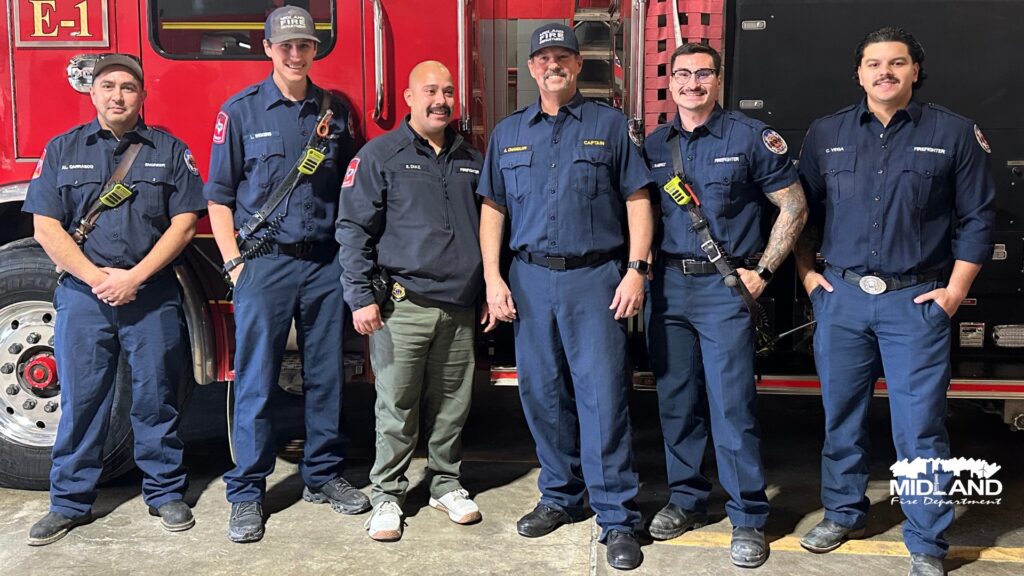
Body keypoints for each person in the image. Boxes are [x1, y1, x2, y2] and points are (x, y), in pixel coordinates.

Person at [794, 27, 995, 576]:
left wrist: (954, 292)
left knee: (921, 427)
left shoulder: (953, 134)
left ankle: (927, 542)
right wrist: (809, 277)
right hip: (842, 300)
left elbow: (979, 218)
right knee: (842, 418)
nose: (884, 72)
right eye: (873, 63)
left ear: (914, 71)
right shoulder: (825, 133)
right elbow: (799, 215)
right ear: (858, 73)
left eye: (897, 63)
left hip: (916, 303)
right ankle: (843, 512)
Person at [477, 23, 653, 571]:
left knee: (602, 397)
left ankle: (617, 516)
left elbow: (638, 199)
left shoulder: (610, 127)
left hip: (595, 278)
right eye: (543, 58)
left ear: (578, 66)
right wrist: (493, 277)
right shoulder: (508, 134)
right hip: (529, 278)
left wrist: (636, 270)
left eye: (562, 57)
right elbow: (494, 209)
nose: (552, 65)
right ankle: (560, 495)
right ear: (531, 69)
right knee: (542, 394)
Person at [24, 53, 204, 545]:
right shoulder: (63, 149)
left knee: (156, 399)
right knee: (83, 403)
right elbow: (46, 226)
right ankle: (68, 503)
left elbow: (185, 223)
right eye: (108, 87)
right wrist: (97, 279)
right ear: (92, 93)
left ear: (143, 96)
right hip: (84, 298)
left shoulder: (170, 150)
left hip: (151, 295)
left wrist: (135, 277)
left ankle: (165, 492)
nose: (118, 96)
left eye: (128, 87)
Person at [204, 5, 369, 543]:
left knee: (327, 375)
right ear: (269, 49)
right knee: (256, 380)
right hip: (265, 263)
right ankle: (247, 492)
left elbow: (352, 188)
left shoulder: (335, 111)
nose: (295, 54)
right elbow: (219, 197)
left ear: (315, 50)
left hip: (323, 263)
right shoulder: (242, 112)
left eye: (304, 46)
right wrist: (233, 262)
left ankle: (322, 475)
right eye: (285, 46)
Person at [642, 43, 807, 568]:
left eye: (703, 73)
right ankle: (686, 500)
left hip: (723, 290)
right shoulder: (653, 145)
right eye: (683, 73)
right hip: (666, 289)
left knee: (731, 407)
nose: (692, 82)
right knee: (676, 403)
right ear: (670, 81)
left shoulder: (750, 137)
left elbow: (794, 204)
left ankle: (748, 517)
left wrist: (761, 273)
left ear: (718, 78)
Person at [337, 60, 493, 542]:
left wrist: (489, 288)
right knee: (397, 407)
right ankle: (387, 494)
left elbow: (491, 229)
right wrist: (361, 297)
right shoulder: (380, 155)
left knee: (453, 405)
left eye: (448, 91)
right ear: (407, 98)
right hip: (401, 308)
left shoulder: (473, 158)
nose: (441, 100)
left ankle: (446, 483)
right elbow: (353, 229)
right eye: (430, 90)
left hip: (460, 307)